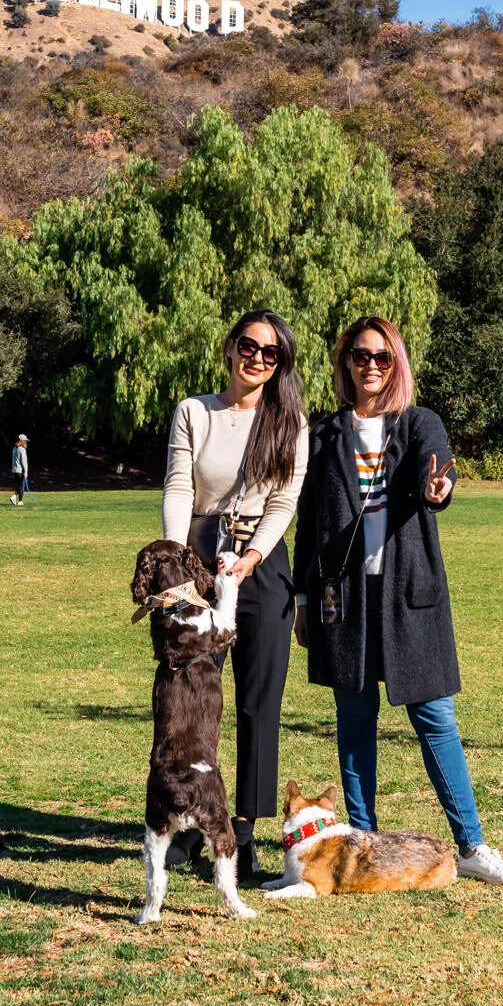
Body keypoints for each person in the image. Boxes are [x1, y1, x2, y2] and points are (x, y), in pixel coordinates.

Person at [291, 316, 503, 886]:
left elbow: (436, 462)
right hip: (342, 597)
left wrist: (438, 483)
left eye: (382, 356)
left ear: (396, 363)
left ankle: (470, 846)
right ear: (345, 362)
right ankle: (363, 841)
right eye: (358, 354)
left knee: (435, 717)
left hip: (408, 596)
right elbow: (307, 523)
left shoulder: (417, 423)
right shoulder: (323, 434)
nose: (370, 365)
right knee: (354, 721)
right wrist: (301, 598)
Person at [161, 309, 310, 879]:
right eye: (249, 346)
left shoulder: (291, 423)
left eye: (272, 353)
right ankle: (188, 823)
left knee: (257, 703)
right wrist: (177, 566)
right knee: (193, 700)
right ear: (230, 347)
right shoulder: (195, 411)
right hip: (198, 560)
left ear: (281, 364)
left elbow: (283, 503)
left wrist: (250, 560)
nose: (258, 359)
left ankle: (241, 832)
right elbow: (179, 486)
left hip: (263, 567)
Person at [10, 434, 31, 505]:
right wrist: (26, 471)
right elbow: (24, 461)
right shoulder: (22, 449)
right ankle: (19, 501)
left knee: (19, 485)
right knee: (22, 486)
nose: (26, 442)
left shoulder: (14, 448)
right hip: (20, 470)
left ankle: (14, 496)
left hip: (14, 470)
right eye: (25, 440)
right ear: (22, 441)